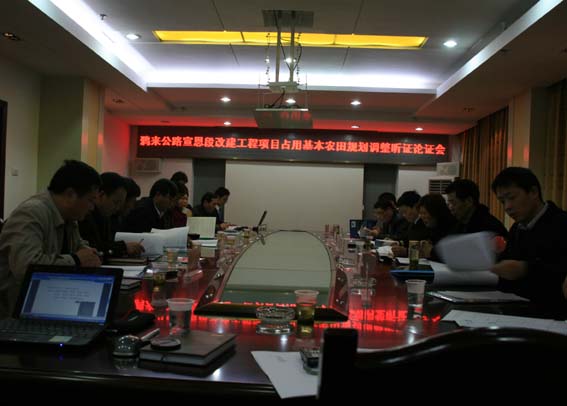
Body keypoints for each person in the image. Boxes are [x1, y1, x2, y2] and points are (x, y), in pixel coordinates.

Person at [0, 160, 102, 318]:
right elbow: (26, 267)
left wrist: (89, 254)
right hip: (11, 313)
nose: (92, 208)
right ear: (70, 195)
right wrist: (76, 260)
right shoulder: (31, 213)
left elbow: (80, 247)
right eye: (90, 200)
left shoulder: (70, 217)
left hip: (45, 304)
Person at [491, 167, 567, 309]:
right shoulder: (516, 228)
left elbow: (560, 270)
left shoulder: (562, 224)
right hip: (513, 309)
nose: (507, 207)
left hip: (550, 313)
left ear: (533, 192)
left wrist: (525, 268)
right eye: (502, 201)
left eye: (511, 198)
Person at [79, 172, 144, 259]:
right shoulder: (84, 215)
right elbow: (93, 249)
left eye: (120, 204)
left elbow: (106, 245)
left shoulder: (105, 216)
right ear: (101, 195)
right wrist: (123, 247)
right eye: (115, 202)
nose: (117, 208)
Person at [416, 193, 457, 260]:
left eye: (424, 213)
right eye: (420, 213)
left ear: (436, 212)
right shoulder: (432, 227)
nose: (422, 217)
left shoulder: (453, 228)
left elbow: (452, 256)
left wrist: (431, 251)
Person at [391, 191, 431, 257]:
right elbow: (407, 240)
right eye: (402, 213)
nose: (404, 215)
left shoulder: (425, 223)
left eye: (405, 211)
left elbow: (423, 250)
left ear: (415, 207)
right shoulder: (412, 222)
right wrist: (398, 243)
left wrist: (406, 251)